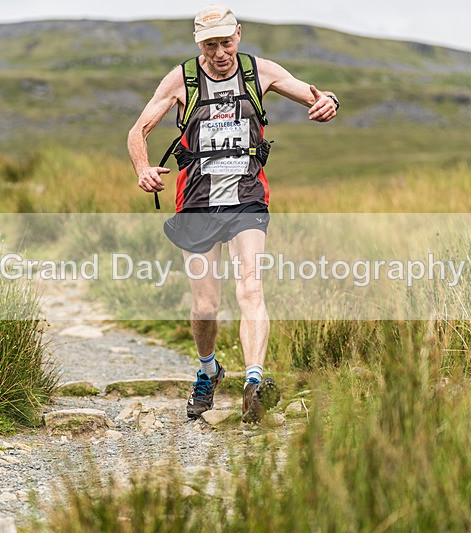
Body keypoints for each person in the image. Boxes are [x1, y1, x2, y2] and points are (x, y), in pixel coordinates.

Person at [127, 4, 338, 423]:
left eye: (226, 42)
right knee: (206, 305)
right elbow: (138, 130)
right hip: (197, 201)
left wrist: (329, 101)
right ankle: (209, 371)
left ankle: (254, 384)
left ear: (238, 35)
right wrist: (143, 169)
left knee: (250, 289)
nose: (220, 52)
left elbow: (312, 92)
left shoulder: (260, 72)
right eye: (210, 45)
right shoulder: (181, 78)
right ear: (198, 43)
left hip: (247, 199)